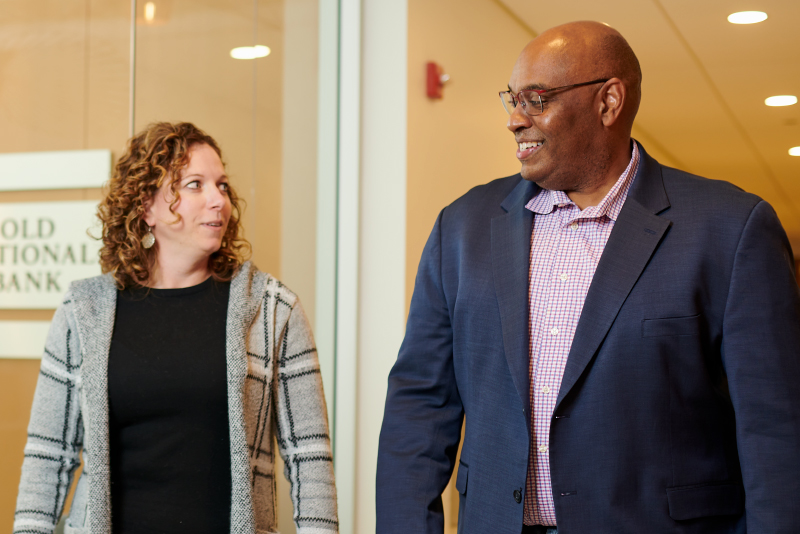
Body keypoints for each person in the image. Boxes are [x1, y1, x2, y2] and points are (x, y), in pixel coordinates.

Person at [376, 21, 800, 534]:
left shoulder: (729, 229)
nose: (515, 119)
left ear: (609, 101)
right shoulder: (461, 230)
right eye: (512, 99)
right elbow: (420, 406)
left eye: (536, 99)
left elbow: (775, 432)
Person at [15, 122, 338, 534]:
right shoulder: (83, 311)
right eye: (194, 184)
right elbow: (48, 456)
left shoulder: (273, 308)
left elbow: (308, 457)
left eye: (221, 185)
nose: (218, 200)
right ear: (145, 206)